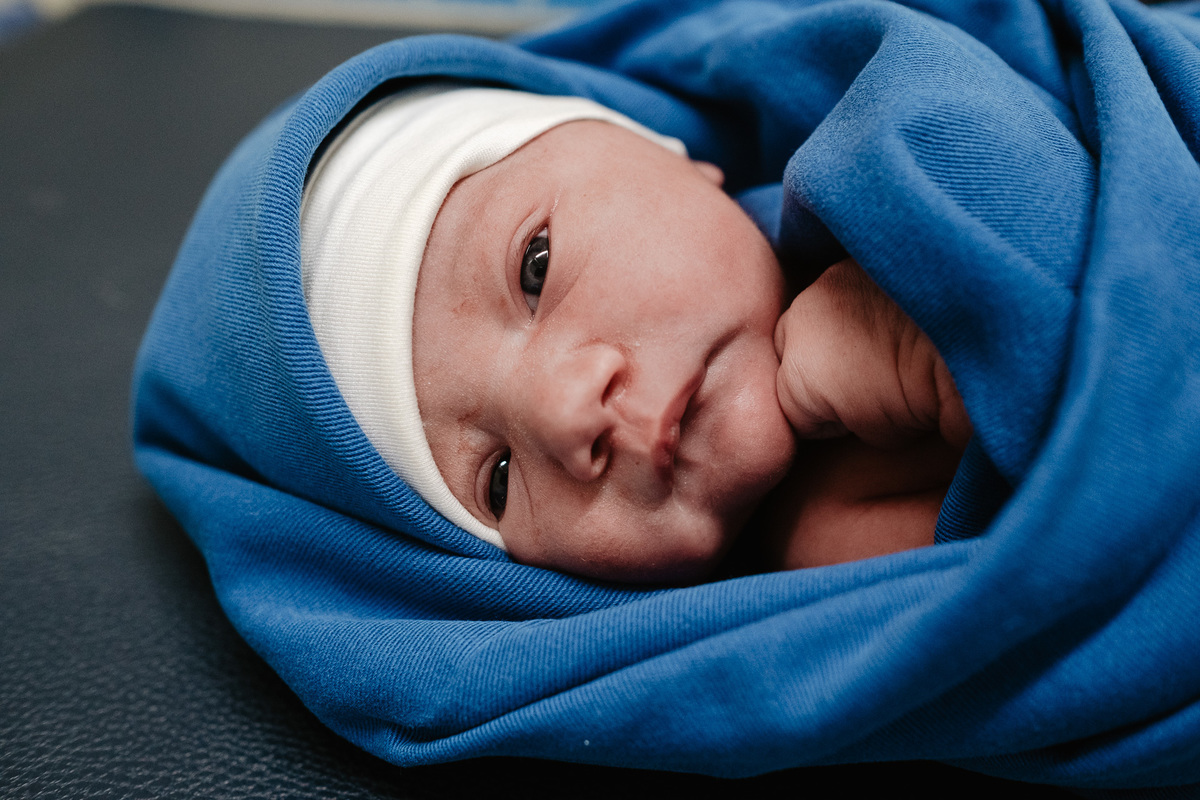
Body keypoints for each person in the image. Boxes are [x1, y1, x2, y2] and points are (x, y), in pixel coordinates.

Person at [300, 86, 972, 585]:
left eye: (536, 269)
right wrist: (971, 369)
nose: (563, 413)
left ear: (662, 150)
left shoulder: (895, 145)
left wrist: (957, 312)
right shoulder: (831, 570)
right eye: (497, 483)